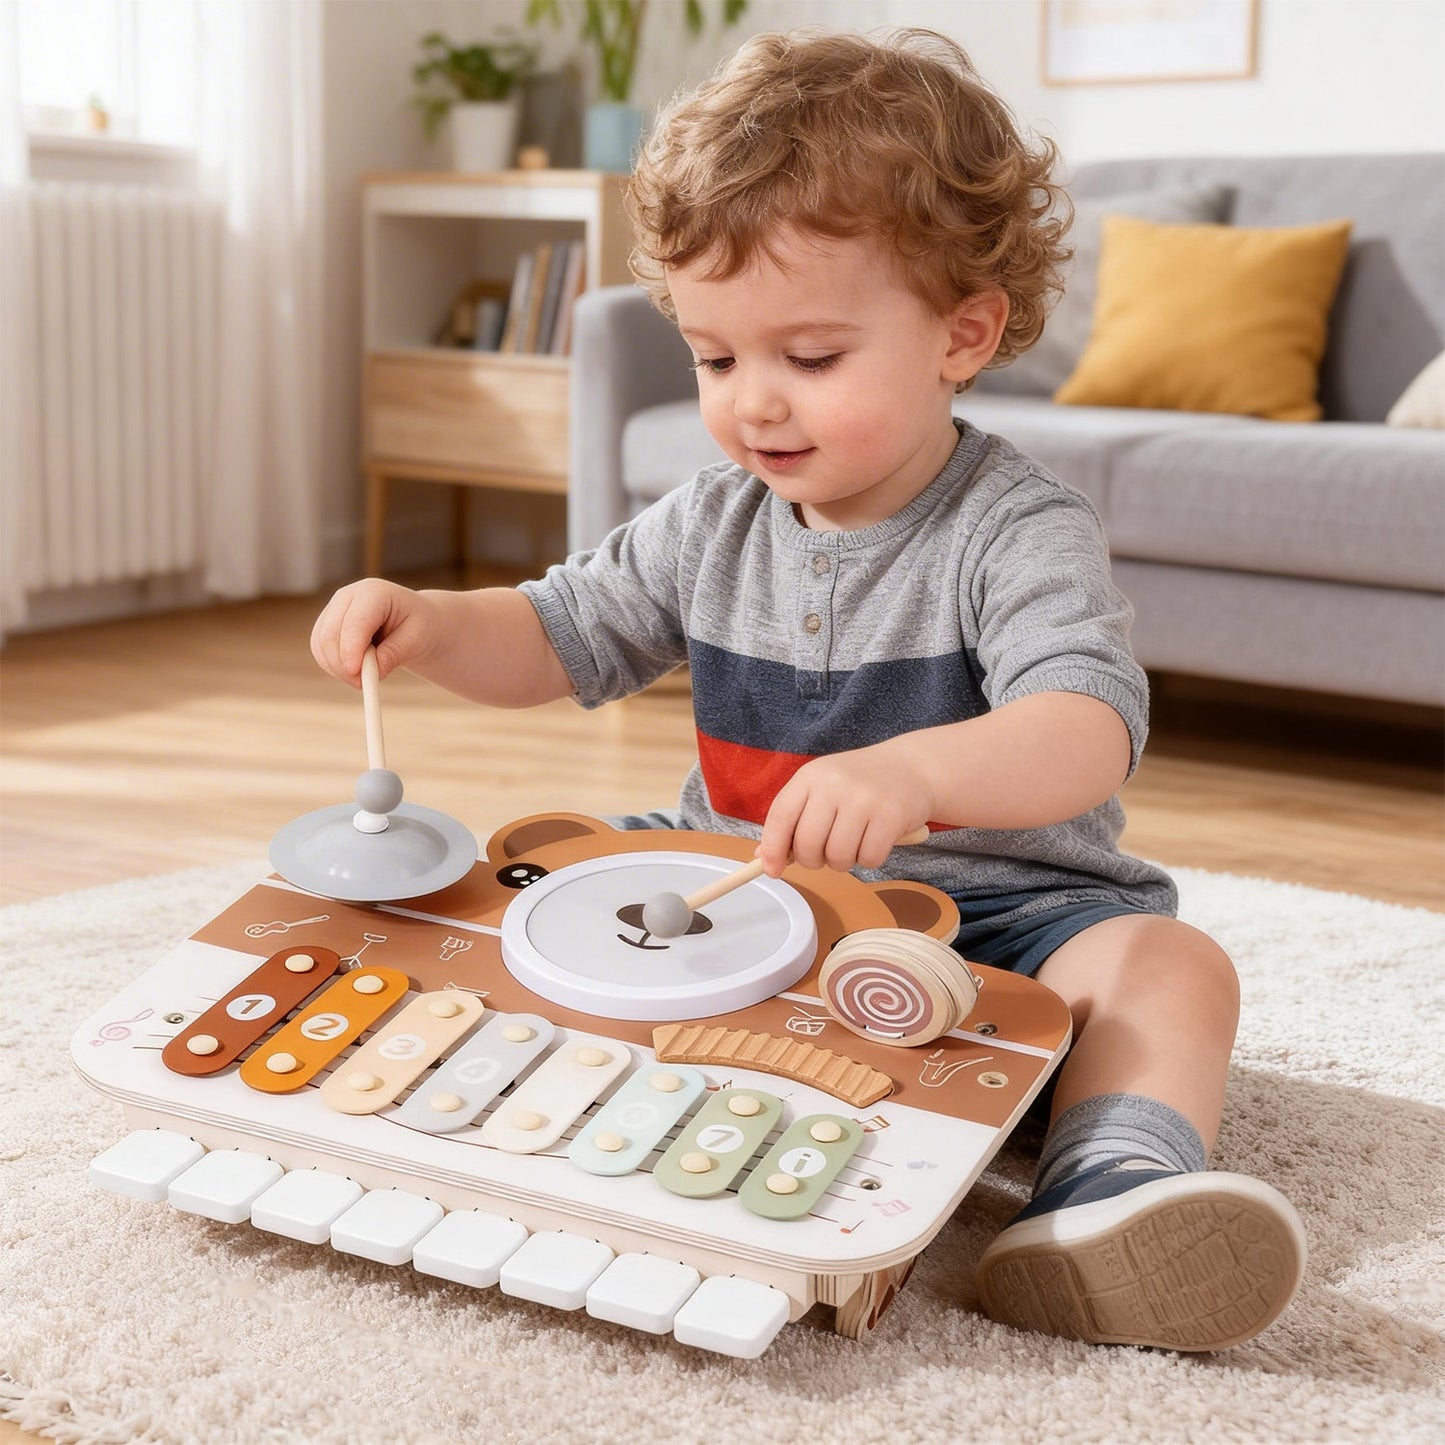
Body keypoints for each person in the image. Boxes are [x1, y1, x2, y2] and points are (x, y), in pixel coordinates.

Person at [312, 28, 1305, 1351]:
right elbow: (559, 635)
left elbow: (1085, 732)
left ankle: (1108, 1188)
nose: (751, 405)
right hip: (740, 900)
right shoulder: (708, 518)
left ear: (963, 333)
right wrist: (432, 622)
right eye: (717, 359)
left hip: (999, 927)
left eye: (810, 359)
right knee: (536, 891)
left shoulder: (1015, 526)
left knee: (1167, 966)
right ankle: (524, 1104)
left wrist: (917, 773)